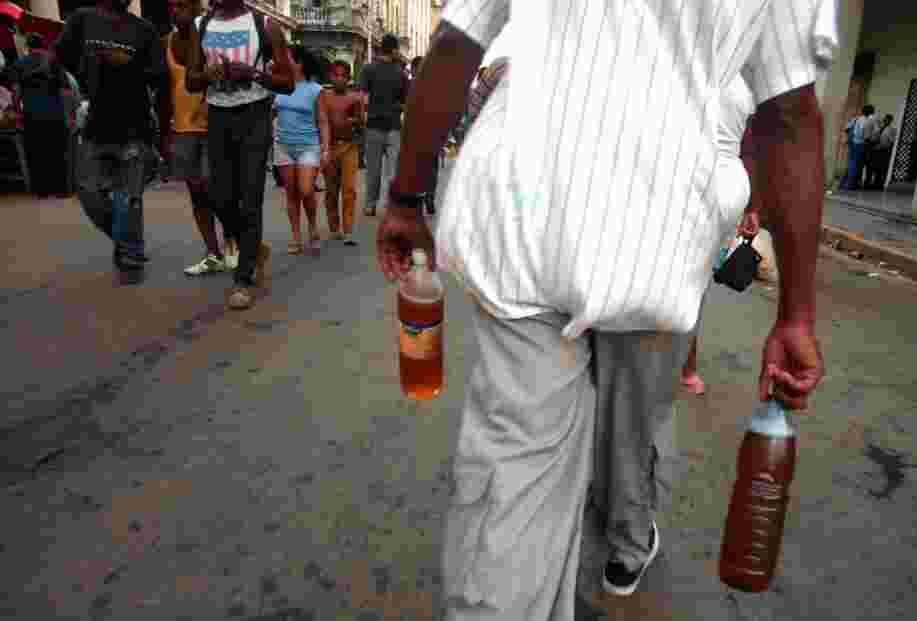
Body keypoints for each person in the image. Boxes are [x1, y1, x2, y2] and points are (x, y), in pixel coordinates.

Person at [375, 0, 834, 617]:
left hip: (528, 231)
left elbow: (456, 46)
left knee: (520, 479)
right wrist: (796, 315)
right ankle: (623, 544)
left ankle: (569, 566)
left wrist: (407, 199)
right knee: (628, 433)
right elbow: (790, 117)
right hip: (655, 251)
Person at [184, 0, 294, 309]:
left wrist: (254, 74)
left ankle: (243, 280)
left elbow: (287, 83)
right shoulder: (200, 26)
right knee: (218, 194)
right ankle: (253, 246)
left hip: (254, 116)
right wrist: (208, 74)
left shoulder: (265, 26)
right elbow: (191, 81)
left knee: (250, 195)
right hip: (218, 115)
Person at [55, 0, 166, 271]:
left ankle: (130, 249)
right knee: (89, 193)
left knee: (129, 197)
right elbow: (61, 56)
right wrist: (84, 69)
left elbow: (159, 75)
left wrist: (129, 64)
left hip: (135, 125)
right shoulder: (82, 19)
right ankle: (126, 241)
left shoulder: (143, 29)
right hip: (96, 124)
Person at [679, 76, 761, 397]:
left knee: (667, 280)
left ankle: (672, 364)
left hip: (690, 183)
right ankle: (688, 370)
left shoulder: (693, 67)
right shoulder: (744, 85)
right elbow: (751, 150)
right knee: (696, 288)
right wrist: (753, 208)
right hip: (730, 187)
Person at [160, 0, 238, 276]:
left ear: (196, 9)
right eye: (173, 5)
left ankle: (232, 243)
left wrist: (208, 99)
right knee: (196, 193)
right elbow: (164, 89)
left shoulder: (209, 35)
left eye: (182, 5)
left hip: (213, 124)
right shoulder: (166, 42)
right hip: (182, 129)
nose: (176, 10)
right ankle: (212, 253)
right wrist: (164, 133)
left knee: (215, 188)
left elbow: (223, 72)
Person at [273, 44, 329, 255]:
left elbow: (323, 120)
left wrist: (325, 148)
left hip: (308, 146)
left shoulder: (315, 89)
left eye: (286, 57)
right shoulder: (279, 86)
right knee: (291, 193)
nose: (282, 60)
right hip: (283, 145)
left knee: (306, 189)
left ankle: (313, 226)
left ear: (299, 63)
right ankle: (296, 237)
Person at [10, 32, 73, 197]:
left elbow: (16, 91)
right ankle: (61, 189)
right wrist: (68, 114)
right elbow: (66, 91)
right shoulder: (54, 62)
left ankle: (42, 190)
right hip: (55, 113)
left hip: (32, 114)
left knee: (37, 153)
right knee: (58, 152)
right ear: (43, 44)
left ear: (28, 47)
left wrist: (17, 111)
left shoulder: (19, 63)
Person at [358, 32, 407, 217]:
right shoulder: (400, 73)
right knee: (393, 171)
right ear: (394, 50)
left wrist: (363, 117)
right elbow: (405, 103)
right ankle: (390, 206)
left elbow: (361, 97)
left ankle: (370, 205)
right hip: (394, 127)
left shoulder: (368, 69)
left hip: (373, 126)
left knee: (373, 170)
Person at [321, 60, 363, 245]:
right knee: (331, 190)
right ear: (330, 77)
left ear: (348, 78)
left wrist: (352, 121)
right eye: (335, 75)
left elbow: (361, 122)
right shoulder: (323, 96)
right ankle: (334, 228)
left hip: (349, 146)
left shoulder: (355, 98)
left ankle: (348, 229)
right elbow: (320, 121)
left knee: (349, 189)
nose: (339, 79)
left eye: (342, 76)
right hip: (329, 147)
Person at [841, 105, 876, 191]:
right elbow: (867, 137)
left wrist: (851, 136)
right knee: (857, 166)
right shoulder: (868, 122)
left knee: (850, 164)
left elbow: (846, 129)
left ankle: (844, 184)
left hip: (852, 143)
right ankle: (851, 185)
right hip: (861, 145)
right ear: (871, 112)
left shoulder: (856, 119)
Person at [865, 113, 895, 190]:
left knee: (880, 169)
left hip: (883, 151)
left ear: (890, 121)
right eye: (885, 119)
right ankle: (868, 183)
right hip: (875, 150)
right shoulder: (878, 128)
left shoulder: (891, 130)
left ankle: (877, 185)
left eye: (888, 119)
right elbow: (873, 137)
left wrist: (888, 151)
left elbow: (891, 142)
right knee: (871, 168)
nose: (885, 120)